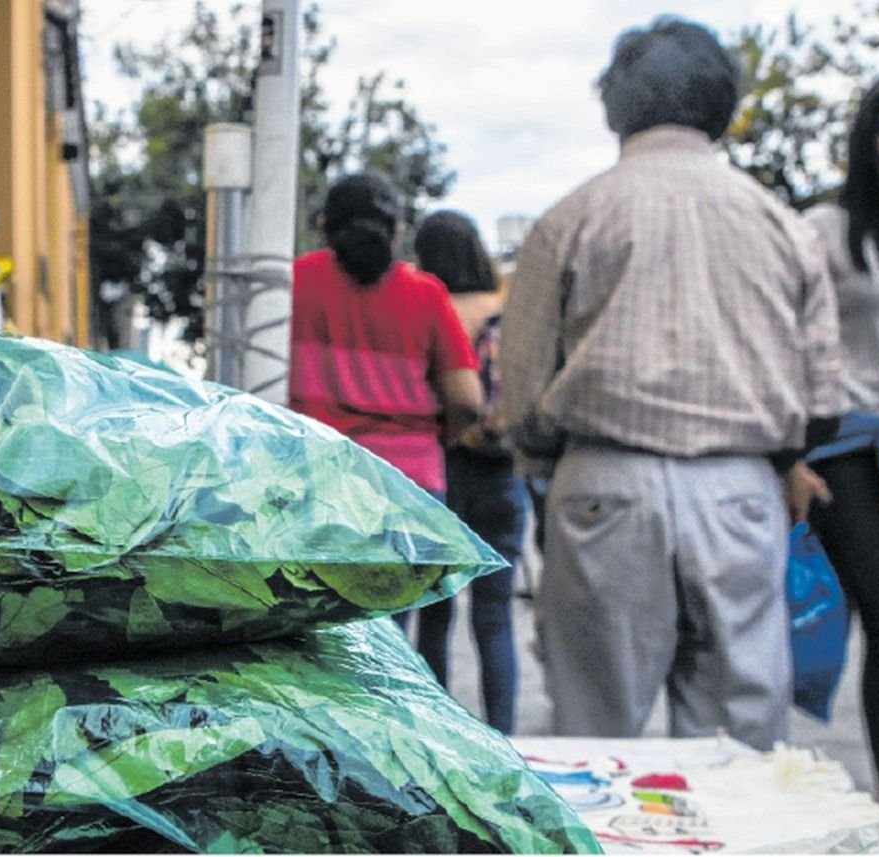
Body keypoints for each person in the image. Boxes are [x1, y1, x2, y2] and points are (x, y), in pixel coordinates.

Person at [498, 16, 843, 751]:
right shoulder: (782, 223)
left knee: (595, 737)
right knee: (738, 745)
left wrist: (541, 459)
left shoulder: (570, 218)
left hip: (604, 483)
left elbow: (523, 396)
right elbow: (822, 402)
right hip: (740, 490)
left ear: (616, 104)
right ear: (722, 104)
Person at [795, 73, 879, 809]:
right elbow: (787, 339)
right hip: (848, 452)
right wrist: (787, 455)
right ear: (868, 139)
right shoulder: (824, 231)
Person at [288, 170, 482, 503]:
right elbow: (466, 400)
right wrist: (436, 439)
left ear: (323, 227)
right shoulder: (427, 295)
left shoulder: (292, 283)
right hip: (412, 483)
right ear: (398, 232)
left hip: (314, 478)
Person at [408, 209, 526, 734]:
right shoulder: (508, 308)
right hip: (503, 470)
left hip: (442, 464)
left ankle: (440, 736)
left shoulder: (427, 306)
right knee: (495, 617)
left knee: (436, 612)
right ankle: (503, 735)